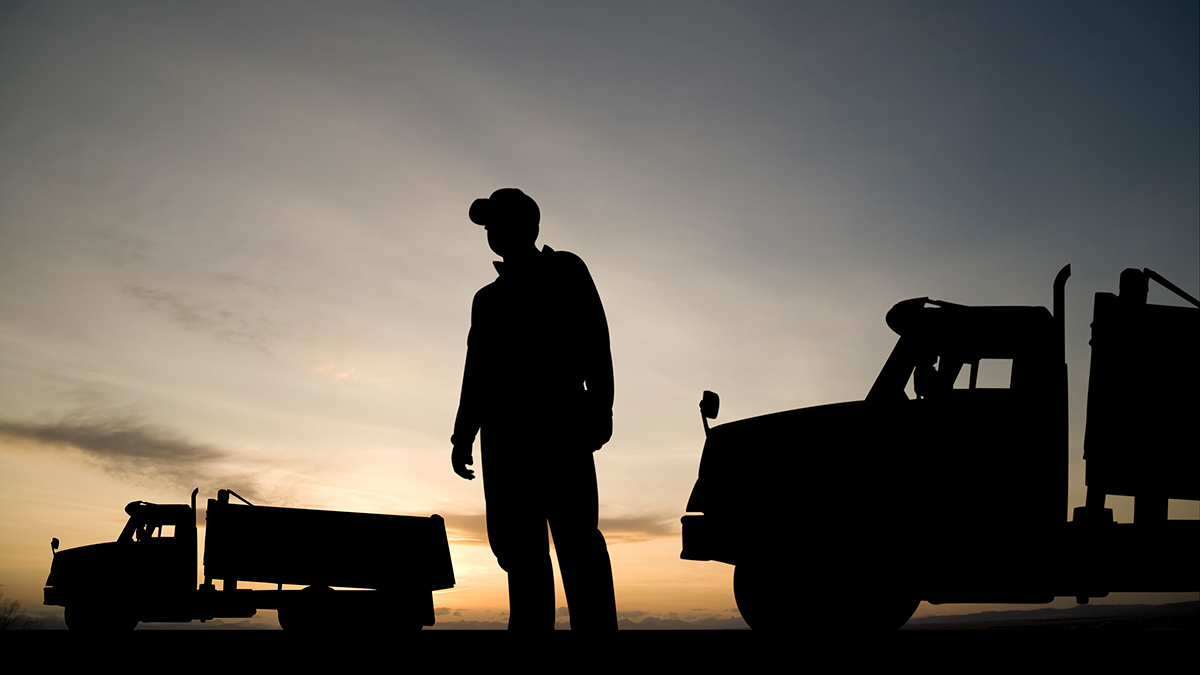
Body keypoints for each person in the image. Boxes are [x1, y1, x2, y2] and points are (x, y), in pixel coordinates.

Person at [451, 188, 617, 630]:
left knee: (578, 542)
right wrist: (463, 434)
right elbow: (477, 372)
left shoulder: (565, 270)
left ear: (526, 225)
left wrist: (601, 410)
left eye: (497, 222)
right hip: (505, 439)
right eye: (487, 225)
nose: (490, 231)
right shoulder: (487, 299)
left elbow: (596, 344)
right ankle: (529, 639)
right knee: (519, 551)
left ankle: (598, 638)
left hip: (562, 426)